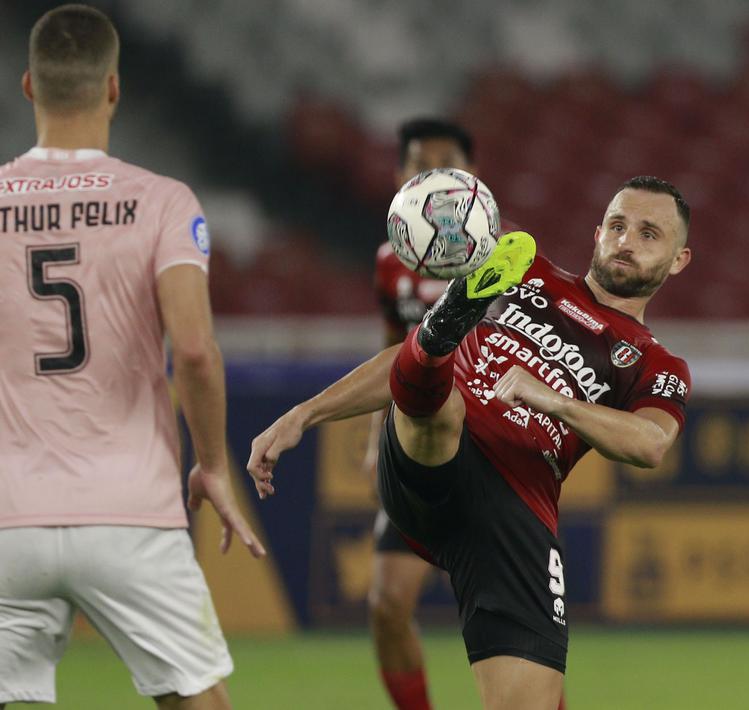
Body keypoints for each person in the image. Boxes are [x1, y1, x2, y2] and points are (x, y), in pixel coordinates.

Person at [248, 176, 693, 709]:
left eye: (649, 234)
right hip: (431, 452)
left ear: (678, 259)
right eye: (618, 226)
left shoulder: (655, 363)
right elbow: (400, 362)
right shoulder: (528, 271)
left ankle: (439, 336)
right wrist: (306, 413)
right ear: (597, 232)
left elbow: (649, 444)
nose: (626, 241)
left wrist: (557, 402)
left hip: (514, 507)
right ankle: (441, 332)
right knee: (440, 400)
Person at [0, 6, 265, 709]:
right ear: (114, 88)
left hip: (8, 514)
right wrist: (211, 464)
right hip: (130, 512)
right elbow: (195, 352)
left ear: (29, 86)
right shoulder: (161, 202)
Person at [365, 117, 473, 710]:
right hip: (416, 454)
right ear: (400, 176)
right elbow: (389, 344)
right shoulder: (389, 261)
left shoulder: (505, 256)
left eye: (446, 161)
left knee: (515, 630)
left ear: (472, 175)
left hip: (488, 455)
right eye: (417, 163)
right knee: (386, 605)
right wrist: (367, 436)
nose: (430, 174)